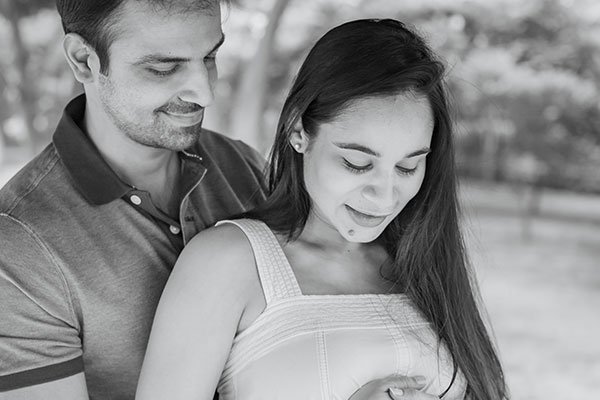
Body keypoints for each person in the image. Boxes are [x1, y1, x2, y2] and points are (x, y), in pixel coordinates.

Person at [136, 19, 508, 400]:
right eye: (356, 163)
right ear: (298, 130)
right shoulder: (229, 262)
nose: (383, 197)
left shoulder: (427, 265)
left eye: (407, 167)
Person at [0, 0, 266, 399]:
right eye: (163, 67)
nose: (205, 92)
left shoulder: (244, 167)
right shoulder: (19, 246)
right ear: (83, 60)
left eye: (210, 56)